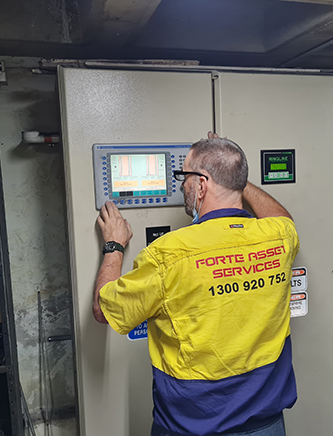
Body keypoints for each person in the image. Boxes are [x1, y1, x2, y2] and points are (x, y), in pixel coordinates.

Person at [94, 132, 300, 436]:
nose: (181, 185)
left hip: (192, 426)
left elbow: (103, 308)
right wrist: (233, 177)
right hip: (266, 425)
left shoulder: (167, 254)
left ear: (202, 184)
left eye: (185, 176)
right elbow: (283, 218)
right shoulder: (279, 236)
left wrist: (114, 245)